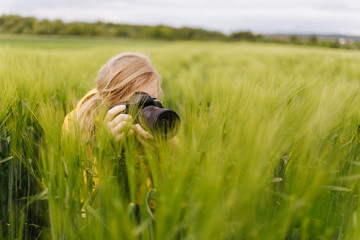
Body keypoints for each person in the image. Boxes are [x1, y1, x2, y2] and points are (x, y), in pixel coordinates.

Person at [62, 52, 178, 213]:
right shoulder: (78, 124)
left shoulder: (159, 119)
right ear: (109, 103)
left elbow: (174, 187)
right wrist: (106, 151)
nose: (149, 110)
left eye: (152, 100)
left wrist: (162, 145)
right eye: (139, 103)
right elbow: (91, 202)